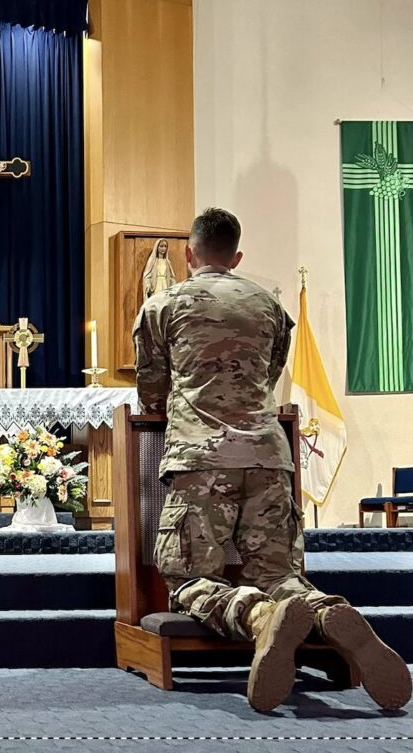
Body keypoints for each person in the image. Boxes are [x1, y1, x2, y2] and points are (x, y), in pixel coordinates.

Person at [133, 207, 411, 713]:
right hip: (268, 455)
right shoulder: (268, 305)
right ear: (237, 256)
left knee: (193, 579)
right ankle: (328, 615)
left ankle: (261, 620)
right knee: (281, 574)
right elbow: (268, 375)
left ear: (189, 253)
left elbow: (152, 387)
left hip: (200, 460)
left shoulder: (164, 303)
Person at [142, 238, 177, 302]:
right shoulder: (153, 261)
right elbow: (147, 276)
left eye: (165, 246)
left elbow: (172, 277)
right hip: (156, 287)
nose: (163, 248)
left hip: (166, 286)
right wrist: (148, 285)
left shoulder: (167, 262)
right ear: (157, 247)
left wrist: (173, 286)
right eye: (161, 246)